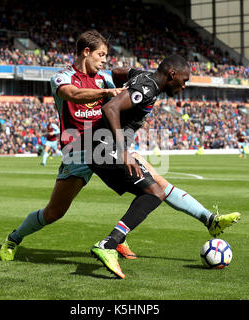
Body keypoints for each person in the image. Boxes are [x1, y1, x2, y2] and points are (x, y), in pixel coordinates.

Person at [88, 55, 241, 278]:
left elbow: (119, 72)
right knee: (154, 193)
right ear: (172, 75)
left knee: (157, 188)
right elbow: (111, 108)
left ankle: (209, 220)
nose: (184, 85)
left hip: (102, 146)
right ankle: (108, 244)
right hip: (104, 148)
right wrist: (122, 150)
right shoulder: (147, 88)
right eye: (184, 80)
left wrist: (115, 85)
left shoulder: (143, 78)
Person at [0, 30, 128, 261]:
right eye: (101, 54)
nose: (104, 60)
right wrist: (107, 92)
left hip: (102, 146)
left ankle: (117, 240)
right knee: (54, 212)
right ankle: (14, 238)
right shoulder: (62, 77)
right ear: (86, 52)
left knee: (146, 187)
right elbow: (74, 95)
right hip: (76, 149)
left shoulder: (105, 77)